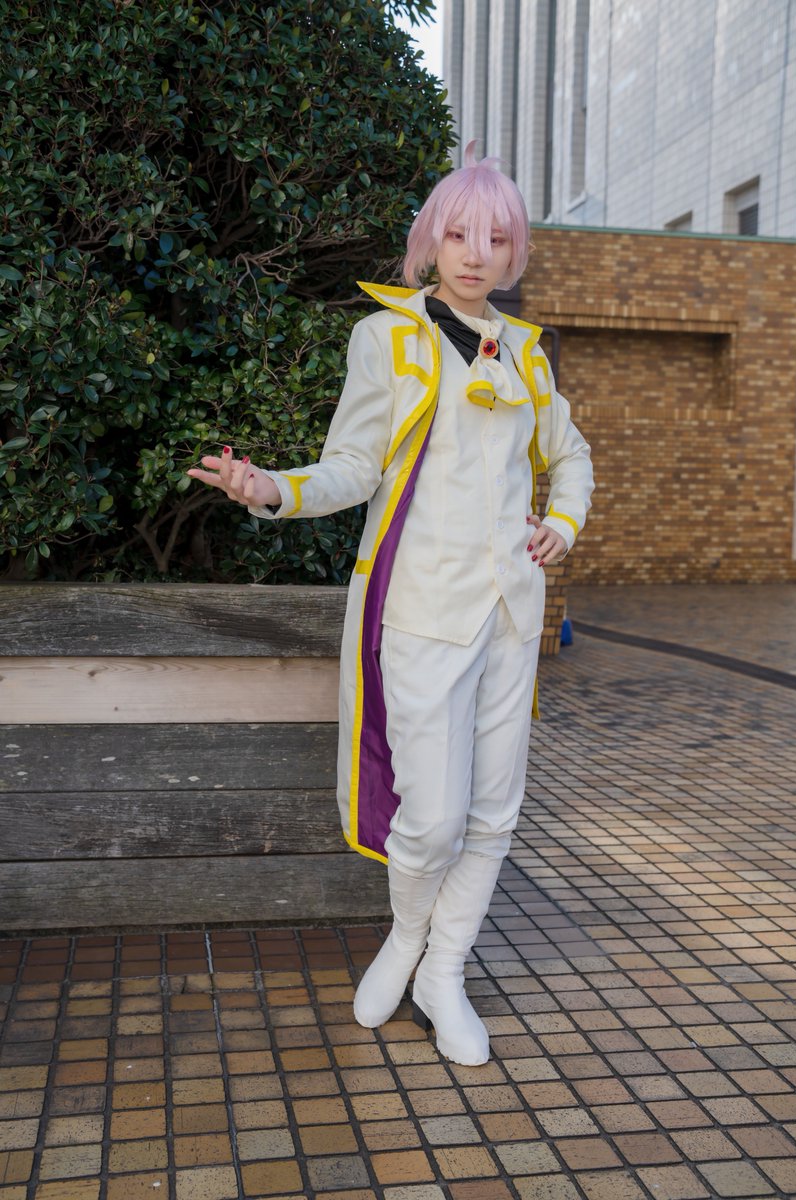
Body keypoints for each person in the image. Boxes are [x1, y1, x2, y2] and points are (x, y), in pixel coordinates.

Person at [187, 142, 594, 1066]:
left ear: (515, 251)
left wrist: (563, 526)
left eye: (497, 238)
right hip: (420, 611)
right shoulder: (387, 338)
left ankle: (445, 970)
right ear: (430, 242)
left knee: (493, 813)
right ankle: (407, 939)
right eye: (459, 234)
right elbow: (353, 466)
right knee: (434, 817)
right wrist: (272, 489)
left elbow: (570, 456)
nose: (477, 254)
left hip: (510, 616)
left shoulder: (527, 354)